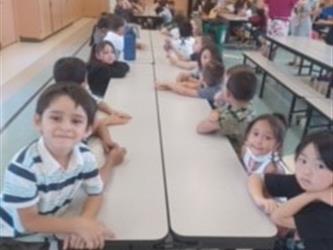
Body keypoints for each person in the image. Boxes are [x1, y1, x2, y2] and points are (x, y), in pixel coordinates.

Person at [0, 83, 126, 250]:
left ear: (88, 129)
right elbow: (29, 222)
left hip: (51, 226)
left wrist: (85, 221)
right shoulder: (24, 168)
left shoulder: (85, 156)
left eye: (76, 121)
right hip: (14, 236)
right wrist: (76, 225)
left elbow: (96, 193)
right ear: (38, 122)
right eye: (56, 118)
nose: (65, 127)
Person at [248, 131, 333, 250]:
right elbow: (256, 178)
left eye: (320, 166)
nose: (306, 171)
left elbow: (277, 217)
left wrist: (311, 195)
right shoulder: (303, 182)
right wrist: (259, 198)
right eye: (303, 161)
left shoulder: (328, 212)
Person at [54, 57, 131, 152]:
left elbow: (94, 100)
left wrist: (110, 113)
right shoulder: (72, 113)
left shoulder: (67, 94)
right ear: (83, 84)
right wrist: (112, 161)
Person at [196, 65, 257, 151]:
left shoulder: (232, 119)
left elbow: (201, 128)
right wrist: (217, 111)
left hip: (234, 158)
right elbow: (220, 110)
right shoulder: (245, 106)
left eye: (223, 84)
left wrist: (214, 116)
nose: (221, 87)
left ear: (228, 94)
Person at [156, 61, 224, 106]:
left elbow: (184, 91)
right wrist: (169, 87)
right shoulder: (215, 84)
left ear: (203, 78)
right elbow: (190, 85)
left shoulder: (211, 91)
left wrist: (168, 84)